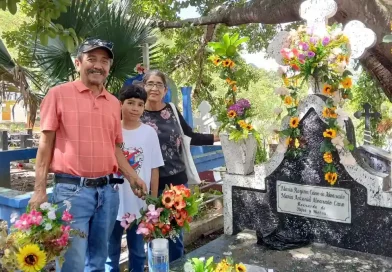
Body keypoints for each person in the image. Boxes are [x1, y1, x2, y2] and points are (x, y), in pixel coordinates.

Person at [29, 38, 147, 272]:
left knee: (98, 260)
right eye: (91, 59)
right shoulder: (58, 94)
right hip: (72, 193)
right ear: (78, 63)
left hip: (108, 192)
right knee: (72, 261)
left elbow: (114, 148)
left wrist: (133, 176)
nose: (98, 65)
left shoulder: (114, 103)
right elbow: (46, 144)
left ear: (109, 68)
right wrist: (39, 189)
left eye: (104, 61)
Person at [140, 70, 220, 262]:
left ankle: (177, 266)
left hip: (176, 184)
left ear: (165, 89)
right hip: (148, 184)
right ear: (143, 87)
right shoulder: (136, 111)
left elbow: (190, 136)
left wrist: (219, 138)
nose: (154, 88)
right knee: (153, 234)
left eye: (159, 84)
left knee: (175, 234)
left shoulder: (172, 110)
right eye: (150, 84)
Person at [105, 85, 164, 272]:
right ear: (120, 104)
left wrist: (152, 203)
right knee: (110, 252)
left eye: (140, 104)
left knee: (138, 251)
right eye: (130, 103)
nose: (135, 108)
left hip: (139, 205)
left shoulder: (149, 133)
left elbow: (155, 169)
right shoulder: (111, 130)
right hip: (113, 203)